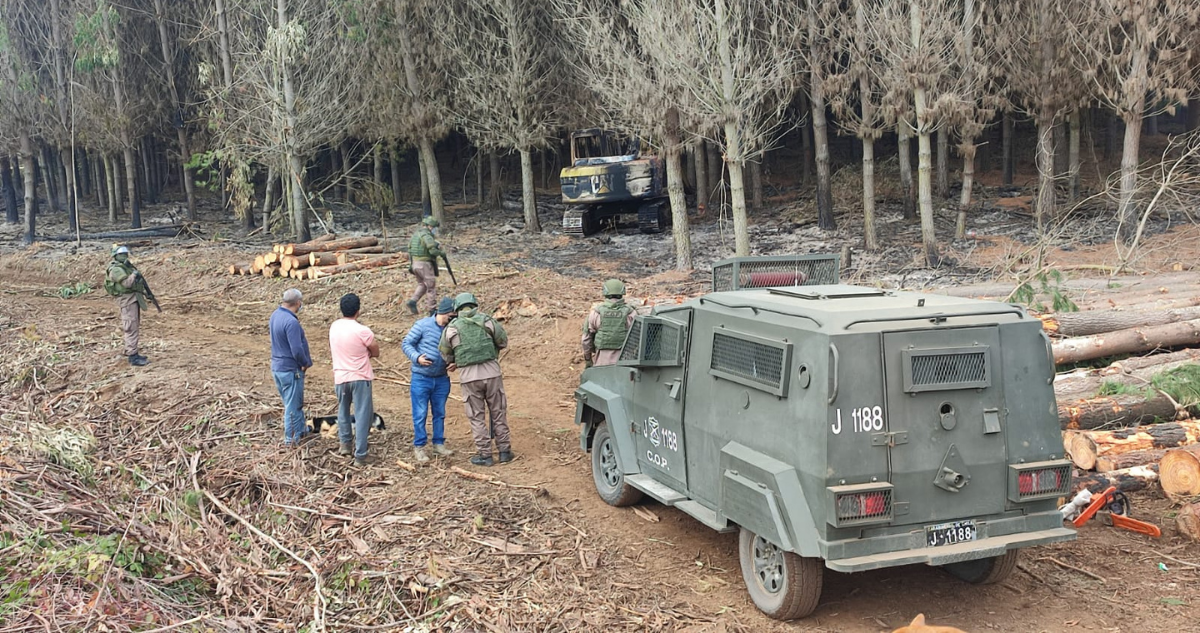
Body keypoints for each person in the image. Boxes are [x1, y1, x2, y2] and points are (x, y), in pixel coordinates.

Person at [438, 292, 513, 466]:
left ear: (457, 308)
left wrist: (456, 360)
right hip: (492, 373)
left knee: (476, 416)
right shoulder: (487, 321)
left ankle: (485, 455)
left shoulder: (452, 328)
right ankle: (504, 452)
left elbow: (444, 353)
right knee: (498, 412)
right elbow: (503, 341)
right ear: (474, 305)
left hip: (469, 377)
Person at [402, 297, 456, 463]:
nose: (453, 318)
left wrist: (455, 362)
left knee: (439, 413)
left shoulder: (452, 328)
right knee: (420, 413)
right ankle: (419, 447)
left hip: (441, 378)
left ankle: (438, 444)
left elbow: (457, 349)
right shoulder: (423, 325)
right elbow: (406, 343)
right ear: (443, 312)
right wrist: (417, 357)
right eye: (451, 315)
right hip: (421, 377)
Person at [329, 293, 380, 466]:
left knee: (343, 411)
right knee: (362, 415)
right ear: (358, 310)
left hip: (341, 377)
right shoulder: (363, 331)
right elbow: (375, 350)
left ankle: (345, 444)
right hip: (360, 377)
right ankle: (361, 454)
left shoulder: (334, 326)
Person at [269, 289, 313, 447]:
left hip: (277, 367)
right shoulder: (291, 322)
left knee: (293, 402)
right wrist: (304, 362)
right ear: (298, 303)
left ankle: (300, 429)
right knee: (292, 405)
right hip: (290, 369)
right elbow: (296, 349)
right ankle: (291, 439)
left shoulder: (275, 315)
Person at [104, 244, 150, 366]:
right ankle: (132, 356)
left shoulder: (125, 266)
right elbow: (127, 283)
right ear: (115, 256)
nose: (124, 256)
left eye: (125, 254)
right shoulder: (116, 269)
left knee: (133, 325)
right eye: (121, 254)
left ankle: (131, 351)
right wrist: (134, 274)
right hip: (127, 300)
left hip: (133, 298)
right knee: (131, 327)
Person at [581, 279, 636, 368]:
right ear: (622, 293)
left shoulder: (596, 313)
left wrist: (588, 359)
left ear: (605, 292)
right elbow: (637, 337)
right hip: (625, 360)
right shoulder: (631, 313)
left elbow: (586, 340)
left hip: (602, 360)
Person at [406, 216, 444, 315]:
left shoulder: (416, 235)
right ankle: (432, 310)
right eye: (434, 227)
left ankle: (413, 301)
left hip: (415, 263)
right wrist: (440, 252)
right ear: (430, 226)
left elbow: (410, 249)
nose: (435, 230)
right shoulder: (427, 236)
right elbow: (432, 250)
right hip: (424, 264)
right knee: (431, 286)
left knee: (422, 284)